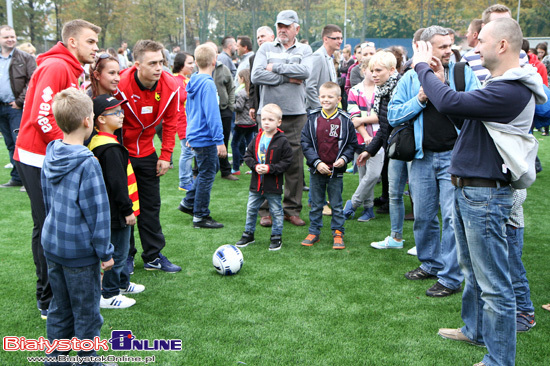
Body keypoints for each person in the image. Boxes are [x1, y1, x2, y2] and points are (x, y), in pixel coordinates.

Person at [412, 17, 546, 366]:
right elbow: (461, 113)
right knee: (473, 273)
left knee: (495, 285)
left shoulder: (512, 88)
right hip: (472, 191)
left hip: (485, 196)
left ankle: (499, 360)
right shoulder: (502, 84)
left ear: (502, 45)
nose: (475, 46)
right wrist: (438, 78)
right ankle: (474, 330)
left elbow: (452, 104)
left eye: (482, 40)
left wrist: (422, 68)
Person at [14, 19, 101, 319]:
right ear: (73, 42)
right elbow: (42, 116)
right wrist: (69, 151)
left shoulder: (67, 67)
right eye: (91, 41)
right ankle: (47, 298)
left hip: (47, 156)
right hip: (38, 157)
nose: (96, 47)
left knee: (54, 224)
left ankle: (59, 293)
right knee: (48, 226)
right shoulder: (56, 67)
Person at [387, 26, 480, 299]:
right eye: (442, 46)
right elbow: (393, 116)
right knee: (424, 216)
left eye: (450, 45)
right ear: (425, 48)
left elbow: (475, 108)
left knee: (452, 219)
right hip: (420, 158)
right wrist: (419, 99)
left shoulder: (463, 72)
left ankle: (450, 277)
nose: (448, 50)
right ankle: (430, 263)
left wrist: (443, 89)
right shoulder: (409, 78)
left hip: (455, 157)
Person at [41, 87, 114, 365]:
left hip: (54, 245)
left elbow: (48, 202)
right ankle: (88, 361)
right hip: (79, 255)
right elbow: (98, 214)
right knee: (86, 313)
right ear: (88, 121)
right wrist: (105, 253)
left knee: (59, 308)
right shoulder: (88, 164)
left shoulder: (51, 152)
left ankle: (55, 360)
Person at [114, 39, 181, 273]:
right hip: (121, 153)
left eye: (161, 62)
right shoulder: (120, 84)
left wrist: (166, 154)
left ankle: (153, 256)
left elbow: (171, 122)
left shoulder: (171, 85)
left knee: (151, 205)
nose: (158, 68)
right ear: (136, 64)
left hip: (148, 152)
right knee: (125, 207)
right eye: (152, 63)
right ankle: (127, 256)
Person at [251, 9, 312, 227]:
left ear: (296, 28)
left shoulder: (305, 48)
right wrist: (287, 77)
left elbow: (305, 72)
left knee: (295, 163)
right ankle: (265, 210)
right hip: (267, 114)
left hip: (296, 114)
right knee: (265, 160)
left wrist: (275, 69)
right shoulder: (266, 47)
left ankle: (291, 209)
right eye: (279, 26)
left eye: (286, 26)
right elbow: (256, 75)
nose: (282, 30)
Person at [89, 94, 145, 309]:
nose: (121, 116)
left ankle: (123, 283)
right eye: (116, 113)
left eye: (121, 111)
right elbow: (117, 184)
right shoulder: (109, 148)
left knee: (123, 248)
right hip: (117, 212)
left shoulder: (106, 142)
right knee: (118, 253)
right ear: (101, 119)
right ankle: (109, 294)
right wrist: (127, 210)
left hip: (118, 210)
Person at [301, 81, 357, 249]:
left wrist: (345, 159)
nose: (326, 100)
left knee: (336, 204)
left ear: (339, 99)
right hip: (316, 170)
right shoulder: (312, 118)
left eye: (330, 97)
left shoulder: (345, 120)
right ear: (319, 98)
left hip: (336, 173)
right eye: (323, 96)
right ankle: (314, 232)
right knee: (316, 204)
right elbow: (305, 142)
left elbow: (351, 144)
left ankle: (338, 232)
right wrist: (316, 162)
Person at [177, 44, 227, 229]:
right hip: (205, 137)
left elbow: (189, 111)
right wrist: (219, 141)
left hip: (196, 134)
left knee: (211, 168)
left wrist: (190, 133)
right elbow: (212, 114)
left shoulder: (193, 80)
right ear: (214, 61)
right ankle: (200, 215)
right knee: (207, 174)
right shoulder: (207, 84)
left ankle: (189, 202)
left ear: (196, 62)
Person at [235, 103, 293, 251]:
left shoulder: (282, 141)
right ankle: (248, 234)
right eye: (264, 119)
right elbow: (247, 155)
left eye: (271, 120)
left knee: (276, 211)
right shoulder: (257, 137)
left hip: (273, 184)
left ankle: (276, 237)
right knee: (251, 209)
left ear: (279, 122)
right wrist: (254, 166)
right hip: (256, 184)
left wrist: (269, 168)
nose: (266, 122)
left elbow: (287, 162)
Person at [343, 56, 382, 222]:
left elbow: (382, 116)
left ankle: (352, 204)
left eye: (376, 70)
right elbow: (354, 116)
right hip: (359, 137)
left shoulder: (382, 89)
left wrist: (363, 119)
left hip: (379, 138)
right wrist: (365, 134)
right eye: (370, 70)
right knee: (364, 174)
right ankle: (369, 208)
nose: (373, 74)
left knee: (373, 174)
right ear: (363, 70)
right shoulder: (354, 91)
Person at [0, 25, 36, 188]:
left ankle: (26, 179)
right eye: (6, 37)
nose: (10, 39)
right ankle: (16, 177)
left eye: (12, 36)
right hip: (1, 108)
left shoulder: (25, 57)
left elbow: (32, 81)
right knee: (9, 142)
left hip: (16, 108)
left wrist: (20, 101)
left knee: (19, 142)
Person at [204, 41, 238, 181]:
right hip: (206, 112)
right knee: (204, 140)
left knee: (223, 140)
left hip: (223, 110)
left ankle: (225, 171)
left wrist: (230, 106)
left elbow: (231, 88)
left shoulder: (224, 68)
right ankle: (198, 170)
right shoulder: (198, 69)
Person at [304, 24, 342, 110]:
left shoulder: (330, 57)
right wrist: (320, 110)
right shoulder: (318, 56)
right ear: (325, 39)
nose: (340, 41)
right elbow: (309, 86)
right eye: (336, 38)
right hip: (318, 113)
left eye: (341, 38)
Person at [173, 52, 195, 191]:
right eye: (189, 63)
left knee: (189, 151)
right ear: (181, 65)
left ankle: (188, 178)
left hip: (188, 121)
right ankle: (184, 181)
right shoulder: (176, 80)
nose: (193, 66)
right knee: (187, 151)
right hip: (183, 121)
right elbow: (180, 99)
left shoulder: (184, 79)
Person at [231, 68, 256, 174]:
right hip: (251, 123)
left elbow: (239, 107)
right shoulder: (252, 92)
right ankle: (253, 167)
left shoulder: (241, 93)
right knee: (251, 145)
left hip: (241, 123)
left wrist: (230, 105)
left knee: (234, 144)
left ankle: (236, 168)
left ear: (242, 78)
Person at [248, 26, 275, 122]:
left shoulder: (280, 54)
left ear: (272, 37)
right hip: (261, 105)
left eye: (262, 36)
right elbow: (252, 84)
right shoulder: (253, 59)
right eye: (258, 37)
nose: (260, 39)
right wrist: (252, 105)